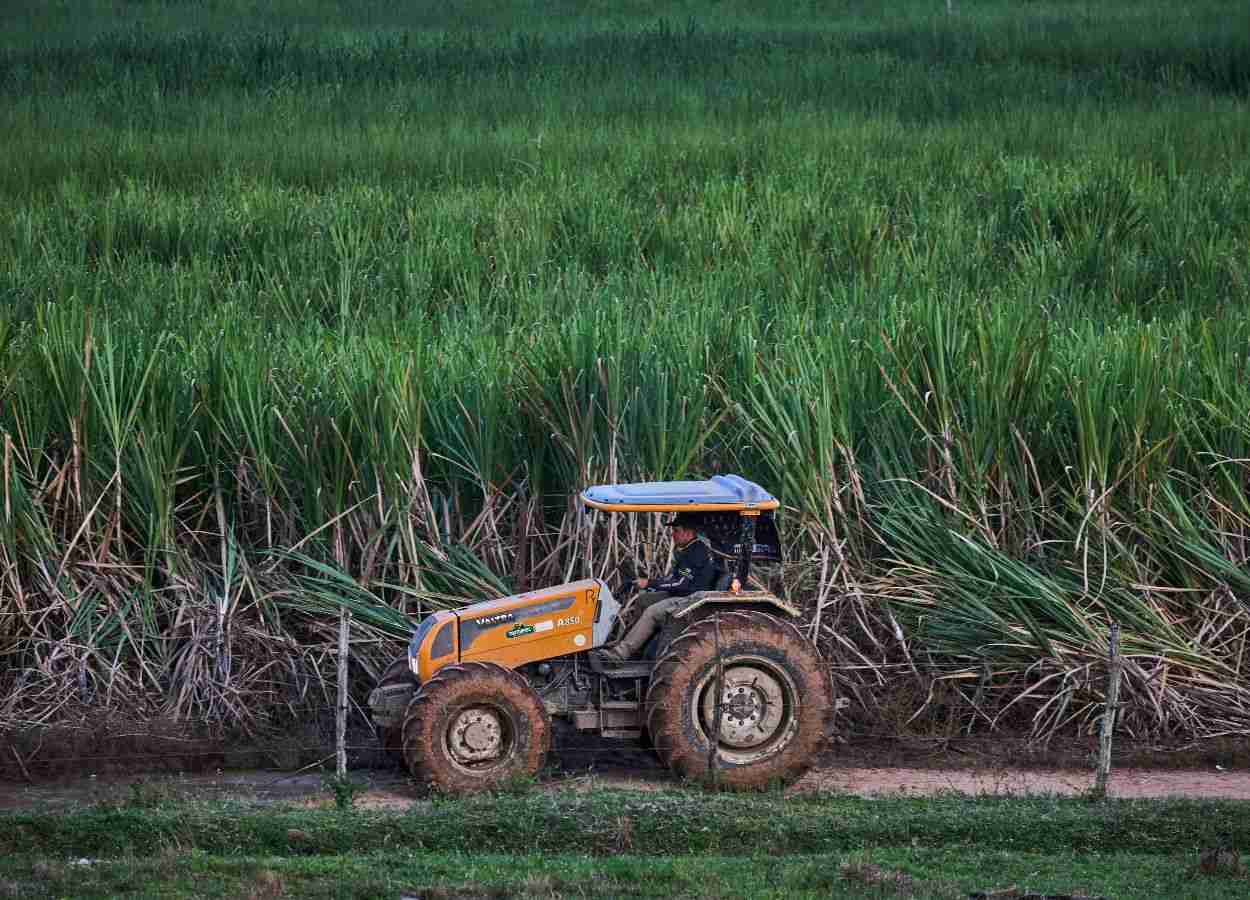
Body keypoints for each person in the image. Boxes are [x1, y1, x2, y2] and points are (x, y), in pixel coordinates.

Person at [597, 513, 720, 662]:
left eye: (676, 531)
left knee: (652, 612)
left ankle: (620, 654)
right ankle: (636, 645)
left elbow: (681, 584)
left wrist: (649, 584)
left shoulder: (696, 553)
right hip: (684, 593)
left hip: (692, 600)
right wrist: (650, 583)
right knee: (644, 600)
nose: (672, 534)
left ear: (688, 533)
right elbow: (674, 579)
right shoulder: (689, 548)